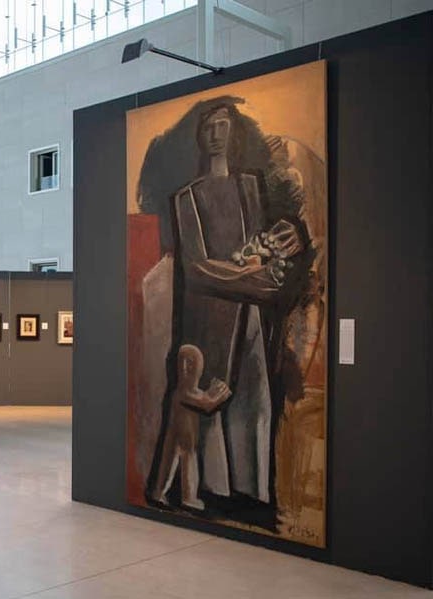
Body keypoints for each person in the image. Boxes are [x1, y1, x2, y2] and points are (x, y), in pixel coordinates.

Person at [156, 102, 306, 506]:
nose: (216, 135)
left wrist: (287, 238)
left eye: (223, 125)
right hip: (210, 316)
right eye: (209, 127)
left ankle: (252, 491)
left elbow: (267, 242)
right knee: (211, 397)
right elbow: (197, 267)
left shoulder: (250, 187)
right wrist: (255, 280)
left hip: (250, 315)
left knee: (253, 397)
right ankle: (215, 490)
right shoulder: (188, 197)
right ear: (199, 137)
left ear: (234, 132)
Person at [150, 345, 231, 510]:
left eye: (191, 362)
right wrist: (221, 394)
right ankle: (161, 494)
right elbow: (207, 404)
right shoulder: (181, 393)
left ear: (200, 367)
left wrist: (215, 393)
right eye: (182, 362)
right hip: (177, 438)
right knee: (169, 466)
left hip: (188, 441)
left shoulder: (194, 392)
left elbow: (205, 399)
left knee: (187, 466)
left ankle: (186, 497)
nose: (185, 367)